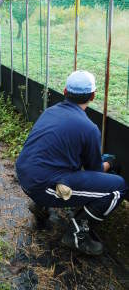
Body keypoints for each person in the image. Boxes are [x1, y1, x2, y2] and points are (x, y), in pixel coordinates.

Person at [16, 70, 128, 256]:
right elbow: (95, 170)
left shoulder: (50, 111)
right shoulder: (89, 128)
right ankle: (77, 234)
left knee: (59, 163)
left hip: (24, 173)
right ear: (93, 96)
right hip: (40, 185)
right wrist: (108, 164)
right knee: (118, 187)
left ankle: (40, 205)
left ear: (65, 91)